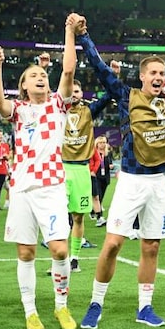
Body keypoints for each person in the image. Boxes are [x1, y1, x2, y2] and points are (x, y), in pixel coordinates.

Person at [76, 18, 165, 329]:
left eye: (162, 73)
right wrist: (84, 36)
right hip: (131, 180)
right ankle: (96, 302)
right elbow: (101, 70)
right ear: (143, 76)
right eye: (153, 73)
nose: (158, 77)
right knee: (113, 243)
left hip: (159, 181)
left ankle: (145, 307)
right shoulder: (127, 96)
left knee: (151, 246)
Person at [0, 13, 80, 329]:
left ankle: (61, 306)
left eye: (43, 74)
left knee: (60, 249)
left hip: (52, 186)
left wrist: (69, 31)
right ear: (24, 86)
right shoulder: (19, 110)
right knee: (25, 252)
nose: (40, 77)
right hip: (22, 187)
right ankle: (30, 311)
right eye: (33, 75)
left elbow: (69, 69)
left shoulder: (58, 104)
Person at [61, 80, 112, 272]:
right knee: (58, 217)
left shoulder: (88, 112)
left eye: (77, 90)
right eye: (70, 91)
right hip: (61, 168)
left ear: (82, 93)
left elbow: (108, 97)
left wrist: (112, 76)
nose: (73, 94)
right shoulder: (57, 110)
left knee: (78, 217)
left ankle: (74, 259)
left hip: (82, 170)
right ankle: (59, 260)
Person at [89, 136, 111, 227]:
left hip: (105, 177)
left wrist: (110, 166)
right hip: (96, 177)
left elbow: (108, 163)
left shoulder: (107, 153)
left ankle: (94, 212)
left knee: (100, 197)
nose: (102, 144)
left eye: (104, 143)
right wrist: (93, 171)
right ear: (97, 144)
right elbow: (94, 162)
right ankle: (99, 216)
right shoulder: (93, 152)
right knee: (97, 196)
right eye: (100, 143)